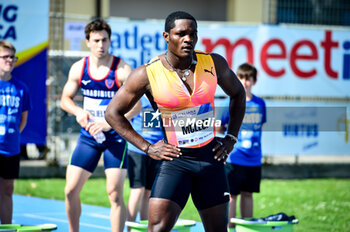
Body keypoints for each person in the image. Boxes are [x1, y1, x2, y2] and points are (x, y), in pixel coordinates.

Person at [105, 11, 246, 232]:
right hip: (176, 161)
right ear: (166, 36)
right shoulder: (147, 74)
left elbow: (238, 94)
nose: (188, 39)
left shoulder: (213, 63)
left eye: (193, 34)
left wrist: (231, 138)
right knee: (157, 228)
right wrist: (147, 147)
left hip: (210, 159)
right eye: (181, 34)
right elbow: (112, 113)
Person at [60, 19, 132, 232]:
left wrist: (111, 123)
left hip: (115, 137)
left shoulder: (122, 69)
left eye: (105, 40)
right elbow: (65, 99)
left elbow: (136, 106)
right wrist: (78, 111)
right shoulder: (79, 68)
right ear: (88, 42)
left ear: (110, 41)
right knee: (70, 191)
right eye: (96, 40)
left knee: (115, 193)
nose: (101, 45)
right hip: (89, 136)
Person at [218, 63, 266, 231]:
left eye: (248, 78)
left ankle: (248, 228)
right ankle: (230, 228)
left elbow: (260, 126)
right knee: (232, 196)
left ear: (254, 80)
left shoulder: (260, 104)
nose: (245, 82)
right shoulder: (229, 103)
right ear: (237, 79)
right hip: (234, 158)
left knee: (248, 194)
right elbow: (220, 127)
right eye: (242, 78)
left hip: (253, 160)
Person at [0, 40, 31, 224]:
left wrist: (12, 136)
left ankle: (6, 227)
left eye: (13, 57)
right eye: (5, 57)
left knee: (7, 189)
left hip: (11, 148)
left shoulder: (21, 88)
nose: (10, 60)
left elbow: (23, 119)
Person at [127, 96, 163, 223]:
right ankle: (129, 228)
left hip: (158, 150)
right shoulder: (138, 97)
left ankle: (145, 227)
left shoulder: (165, 96)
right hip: (138, 149)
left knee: (149, 193)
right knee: (137, 191)